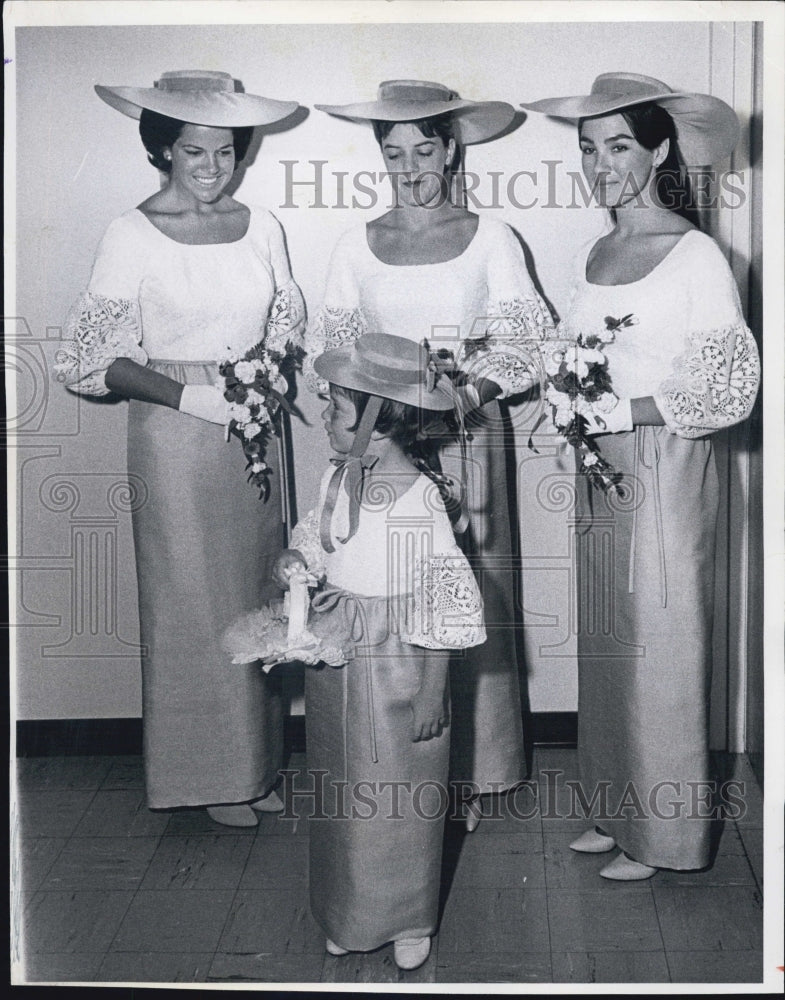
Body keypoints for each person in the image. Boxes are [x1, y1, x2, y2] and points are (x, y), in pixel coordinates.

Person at [521, 73, 761, 878]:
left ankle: (664, 836)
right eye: (588, 148)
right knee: (610, 642)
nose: (600, 164)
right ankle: (615, 808)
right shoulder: (596, 250)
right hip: (600, 472)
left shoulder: (695, 256)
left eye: (618, 144)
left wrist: (620, 414)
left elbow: (728, 388)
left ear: (658, 149)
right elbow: (575, 358)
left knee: (660, 642)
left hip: (666, 465)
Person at [54, 70, 305, 827]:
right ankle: (208, 775)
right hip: (176, 435)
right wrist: (192, 396)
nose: (211, 169)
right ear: (162, 148)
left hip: (256, 432)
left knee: (260, 590)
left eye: (226, 153)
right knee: (192, 602)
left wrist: (268, 371)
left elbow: (286, 317)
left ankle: (257, 762)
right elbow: (87, 358)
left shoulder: (262, 225)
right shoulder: (129, 233)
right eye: (194, 153)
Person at [307, 80, 556, 829]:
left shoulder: (492, 237)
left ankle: (475, 770)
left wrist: (464, 395)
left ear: (451, 150)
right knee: (394, 584)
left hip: (467, 433)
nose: (410, 168)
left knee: (460, 588)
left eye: (424, 149)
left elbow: (526, 341)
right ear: (379, 157)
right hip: (387, 443)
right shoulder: (356, 243)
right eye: (394, 153)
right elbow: (335, 348)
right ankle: (408, 759)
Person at [271, 333, 485, 969]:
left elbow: (443, 600)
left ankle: (405, 916)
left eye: (337, 412)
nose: (328, 423)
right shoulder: (339, 476)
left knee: (398, 788)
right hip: (339, 650)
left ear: (378, 424)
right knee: (341, 785)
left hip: (398, 658)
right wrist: (297, 558)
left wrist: (431, 688)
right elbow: (321, 536)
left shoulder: (422, 502)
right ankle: (351, 909)